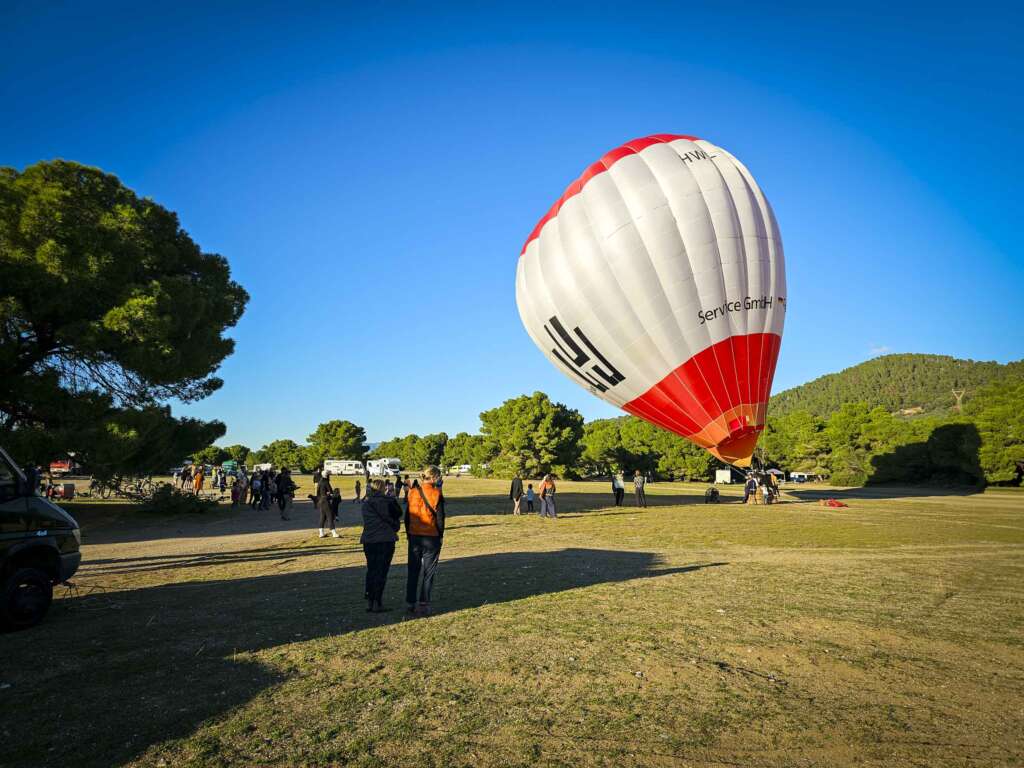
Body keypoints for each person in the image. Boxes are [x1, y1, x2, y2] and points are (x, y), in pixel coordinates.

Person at [405, 465, 445, 616]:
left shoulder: (413, 492)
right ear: (434, 477)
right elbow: (440, 518)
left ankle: (410, 602)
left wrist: (409, 534)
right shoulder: (436, 493)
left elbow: (408, 516)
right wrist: (440, 535)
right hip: (431, 536)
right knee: (428, 572)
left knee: (412, 571)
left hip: (415, 536)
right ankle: (424, 602)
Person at [360, 479, 402, 612]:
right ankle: (378, 601)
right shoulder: (388, 501)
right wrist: (392, 498)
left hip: (369, 540)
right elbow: (399, 513)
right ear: (384, 488)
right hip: (385, 539)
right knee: (382, 571)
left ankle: (370, 601)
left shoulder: (366, 504)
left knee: (371, 570)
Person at [316, 471, 338, 538]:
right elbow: (331, 492)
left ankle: (321, 533)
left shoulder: (319, 482)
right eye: (329, 475)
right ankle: (334, 533)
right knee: (330, 516)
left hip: (321, 501)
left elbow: (318, 493)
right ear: (327, 475)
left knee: (323, 517)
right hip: (326, 501)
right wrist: (332, 495)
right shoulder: (326, 482)